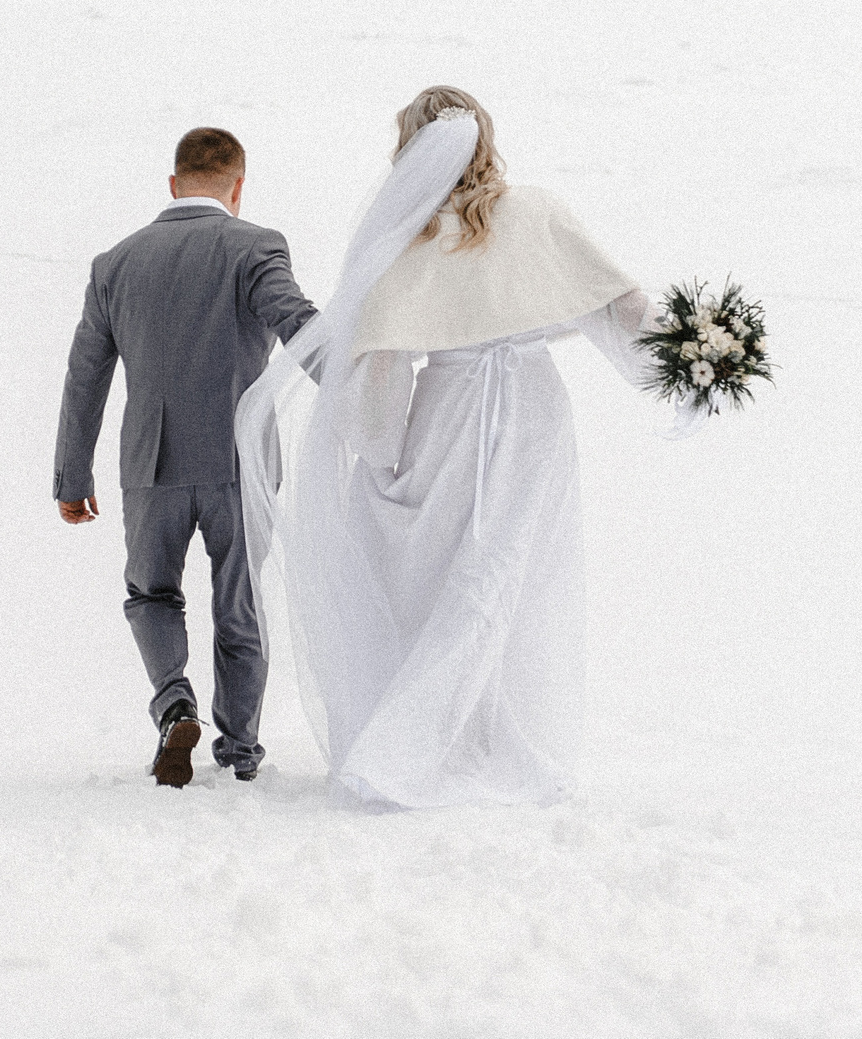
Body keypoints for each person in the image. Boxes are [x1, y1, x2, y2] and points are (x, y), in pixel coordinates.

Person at [234, 87, 696, 809]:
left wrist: (381, 456)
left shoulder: (410, 238)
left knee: (465, 575)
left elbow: (383, 363)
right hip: (534, 413)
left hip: (448, 413)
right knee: (498, 574)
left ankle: (420, 746)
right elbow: (622, 309)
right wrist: (694, 363)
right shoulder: (536, 212)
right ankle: (459, 738)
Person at [55, 127, 318, 786]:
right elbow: (298, 325)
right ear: (238, 186)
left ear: (172, 184)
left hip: (150, 466)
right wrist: (363, 388)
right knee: (240, 603)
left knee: (151, 594)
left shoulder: (115, 263)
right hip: (240, 464)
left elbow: (86, 376)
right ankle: (240, 750)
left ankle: (175, 703)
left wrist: (71, 475)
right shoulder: (257, 246)